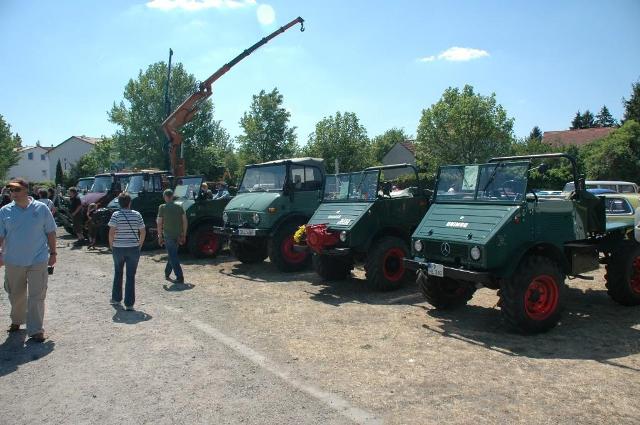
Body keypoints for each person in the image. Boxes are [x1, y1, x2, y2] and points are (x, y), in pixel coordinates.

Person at [0, 178, 57, 342]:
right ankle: (17, 320)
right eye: (11, 191)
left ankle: (36, 329)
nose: (13, 193)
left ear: (26, 190)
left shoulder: (41, 209)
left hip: (38, 259)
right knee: (15, 294)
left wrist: (53, 254)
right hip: (13, 260)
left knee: (37, 295)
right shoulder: (5, 211)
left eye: (17, 190)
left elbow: (51, 232)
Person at [107, 192, 146, 311]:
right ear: (130, 202)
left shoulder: (116, 215)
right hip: (133, 248)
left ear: (119, 203)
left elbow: (111, 233)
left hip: (118, 247)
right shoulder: (137, 214)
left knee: (118, 273)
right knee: (131, 276)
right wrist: (139, 245)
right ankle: (129, 304)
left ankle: (116, 299)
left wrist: (111, 246)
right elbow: (143, 231)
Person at [157, 189, 187, 284]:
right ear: (172, 196)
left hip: (168, 235)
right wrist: (184, 234)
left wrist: (159, 236)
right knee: (172, 254)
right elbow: (185, 221)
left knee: (173, 255)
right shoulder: (179, 207)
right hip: (178, 234)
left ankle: (180, 276)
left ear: (165, 197)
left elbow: (159, 222)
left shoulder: (162, 207)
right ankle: (167, 272)